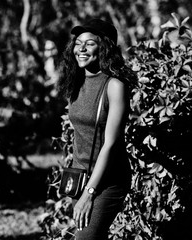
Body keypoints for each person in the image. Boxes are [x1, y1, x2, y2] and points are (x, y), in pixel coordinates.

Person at [57, 18, 136, 239]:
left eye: (89, 43)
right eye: (78, 43)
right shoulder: (75, 83)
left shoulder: (114, 86)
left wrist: (89, 193)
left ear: (104, 47)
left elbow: (111, 143)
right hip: (80, 177)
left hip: (108, 180)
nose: (80, 49)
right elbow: (80, 134)